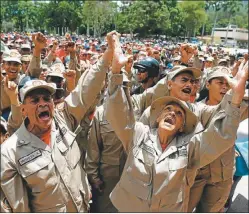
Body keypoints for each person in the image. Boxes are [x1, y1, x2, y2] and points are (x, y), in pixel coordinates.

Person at [103, 35, 248, 212]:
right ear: (155, 118)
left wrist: (235, 97)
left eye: (179, 113)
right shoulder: (140, 133)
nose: (172, 113)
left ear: (183, 126)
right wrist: (116, 72)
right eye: (167, 110)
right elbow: (119, 114)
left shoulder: (190, 147)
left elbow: (220, 134)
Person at [0, 31, 116, 212]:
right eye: (35, 100)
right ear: (23, 110)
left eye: (46, 98)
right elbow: (17, 207)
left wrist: (108, 54)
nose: (43, 104)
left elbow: (85, 90)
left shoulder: (63, 120)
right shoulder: (10, 152)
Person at [187, 67, 236, 212]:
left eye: (227, 83)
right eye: (220, 82)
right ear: (207, 84)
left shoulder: (234, 108)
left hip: (220, 176)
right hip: (195, 173)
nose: (224, 86)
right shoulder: (194, 108)